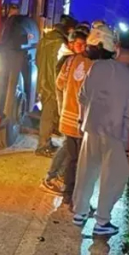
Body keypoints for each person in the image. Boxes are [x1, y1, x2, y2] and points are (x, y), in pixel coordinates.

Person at [72, 29, 129, 235]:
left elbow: (82, 97)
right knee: (113, 178)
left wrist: (81, 121)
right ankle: (102, 222)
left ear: (117, 46)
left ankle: (79, 212)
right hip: (116, 133)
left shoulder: (97, 67)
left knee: (86, 172)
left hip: (91, 128)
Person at [52, 25, 115, 206]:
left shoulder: (70, 61)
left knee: (73, 161)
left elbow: (60, 83)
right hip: (86, 124)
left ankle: (68, 195)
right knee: (87, 164)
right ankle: (79, 202)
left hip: (68, 121)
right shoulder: (100, 67)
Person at [39, 28, 89, 196]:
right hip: (71, 114)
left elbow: (61, 85)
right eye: (80, 45)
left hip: (70, 114)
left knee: (69, 147)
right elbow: (59, 85)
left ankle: (57, 176)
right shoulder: (69, 60)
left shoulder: (72, 60)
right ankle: (51, 177)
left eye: (85, 45)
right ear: (71, 44)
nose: (83, 48)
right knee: (69, 147)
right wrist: (62, 109)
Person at [35, 15, 77, 157]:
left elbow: (37, 59)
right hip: (53, 83)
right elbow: (60, 66)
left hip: (43, 80)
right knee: (49, 114)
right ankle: (43, 145)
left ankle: (45, 142)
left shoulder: (45, 39)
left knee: (47, 113)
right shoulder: (60, 43)